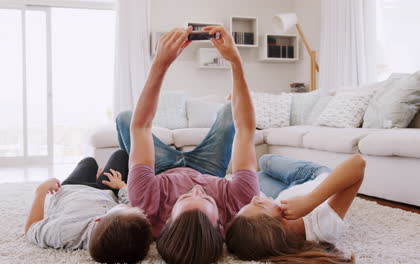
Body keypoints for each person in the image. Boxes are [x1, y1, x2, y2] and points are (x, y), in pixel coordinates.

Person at [120, 25, 259, 264]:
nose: (195, 189)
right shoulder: (240, 203)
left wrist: (160, 64)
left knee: (124, 118)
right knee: (229, 111)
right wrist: (236, 61)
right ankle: (228, 100)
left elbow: (140, 126)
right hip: (209, 169)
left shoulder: (145, 203)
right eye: (206, 199)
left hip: (160, 171)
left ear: (165, 221)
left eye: (183, 199)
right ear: (221, 225)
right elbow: (246, 129)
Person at [226, 154, 366, 264]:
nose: (254, 198)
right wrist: (309, 201)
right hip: (313, 176)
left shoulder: (279, 222)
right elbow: (358, 163)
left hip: (285, 193)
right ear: (283, 223)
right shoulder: (323, 227)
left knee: (258, 175)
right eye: (259, 205)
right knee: (265, 161)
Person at [24, 150, 153, 264]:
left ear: (98, 219)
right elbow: (131, 205)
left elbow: (31, 228)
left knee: (88, 162)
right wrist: (122, 186)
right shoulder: (130, 229)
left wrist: (41, 190)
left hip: (73, 189)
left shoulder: (63, 232)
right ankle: (99, 179)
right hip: (106, 190)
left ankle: (94, 176)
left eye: (122, 206)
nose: (127, 204)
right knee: (121, 154)